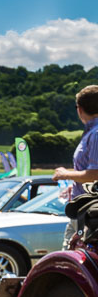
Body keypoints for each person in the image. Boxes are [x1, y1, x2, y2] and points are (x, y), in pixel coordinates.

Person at [56, 85, 98, 247]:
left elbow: (95, 174)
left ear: (79, 109)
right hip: (83, 209)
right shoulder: (92, 132)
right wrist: (75, 184)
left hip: (90, 214)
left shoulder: (95, 134)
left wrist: (65, 174)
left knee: (73, 261)